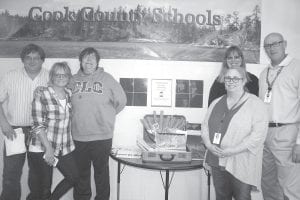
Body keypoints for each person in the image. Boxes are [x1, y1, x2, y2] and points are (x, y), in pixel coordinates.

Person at [201, 66, 268, 200]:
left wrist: (232, 150)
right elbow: (204, 126)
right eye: (228, 78)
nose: (231, 81)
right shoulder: (216, 102)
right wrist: (208, 145)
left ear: (244, 81)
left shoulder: (256, 104)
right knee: (221, 197)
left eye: (236, 78)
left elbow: (257, 136)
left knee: (242, 197)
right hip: (217, 160)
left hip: (242, 162)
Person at [69, 47, 127, 200]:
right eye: (85, 58)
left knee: (101, 173)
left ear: (97, 62)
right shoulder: (72, 80)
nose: (89, 61)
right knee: (81, 174)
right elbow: (61, 98)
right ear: (80, 61)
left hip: (102, 136)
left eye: (92, 58)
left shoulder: (107, 78)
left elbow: (121, 101)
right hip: (78, 136)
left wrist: (107, 115)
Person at [0, 44, 49, 200]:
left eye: (36, 58)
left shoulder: (50, 77)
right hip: (14, 131)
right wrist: (4, 124)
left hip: (41, 132)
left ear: (42, 60)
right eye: (28, 57)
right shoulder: (10, 76)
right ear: (23, 59)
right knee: (10, 175)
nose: (32, 61)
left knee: (38, 175)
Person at [259, 32, 300, 200]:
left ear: (285, 44)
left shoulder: (296, 68)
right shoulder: (264, 73)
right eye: (268, 45)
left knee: (290, 188)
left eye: (276, 43)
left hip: (287, 133)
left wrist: (299, 142)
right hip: (265, 135)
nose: (272, 48)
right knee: (268, 186)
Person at [30, 62, 79, 200]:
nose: (61, 77)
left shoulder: (69, 94)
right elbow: (38, 125)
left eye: (64, 74)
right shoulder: (42, 94)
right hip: (42, 147)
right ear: (52, 76)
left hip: (63, 146)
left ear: (69, 77)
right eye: (57, 74)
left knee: (74, 177)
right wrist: (49, 149)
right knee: (44, 188)